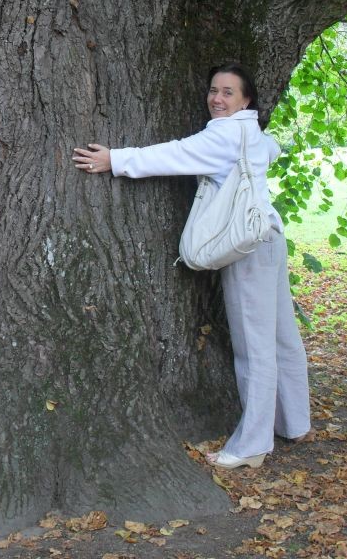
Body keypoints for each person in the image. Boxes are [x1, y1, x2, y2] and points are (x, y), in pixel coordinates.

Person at [72, 62, 311, 469]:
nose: (217, 99)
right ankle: (294, 422)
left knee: (255, 347)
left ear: (246, 99)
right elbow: (273, 149)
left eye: (228, 92)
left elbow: (176, 154)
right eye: (214, 90)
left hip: (247, 247)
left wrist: (116, 159)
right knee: (281, 338)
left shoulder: (222, 134)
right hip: (270, 238)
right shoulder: (253, 133)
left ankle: (252, 444)